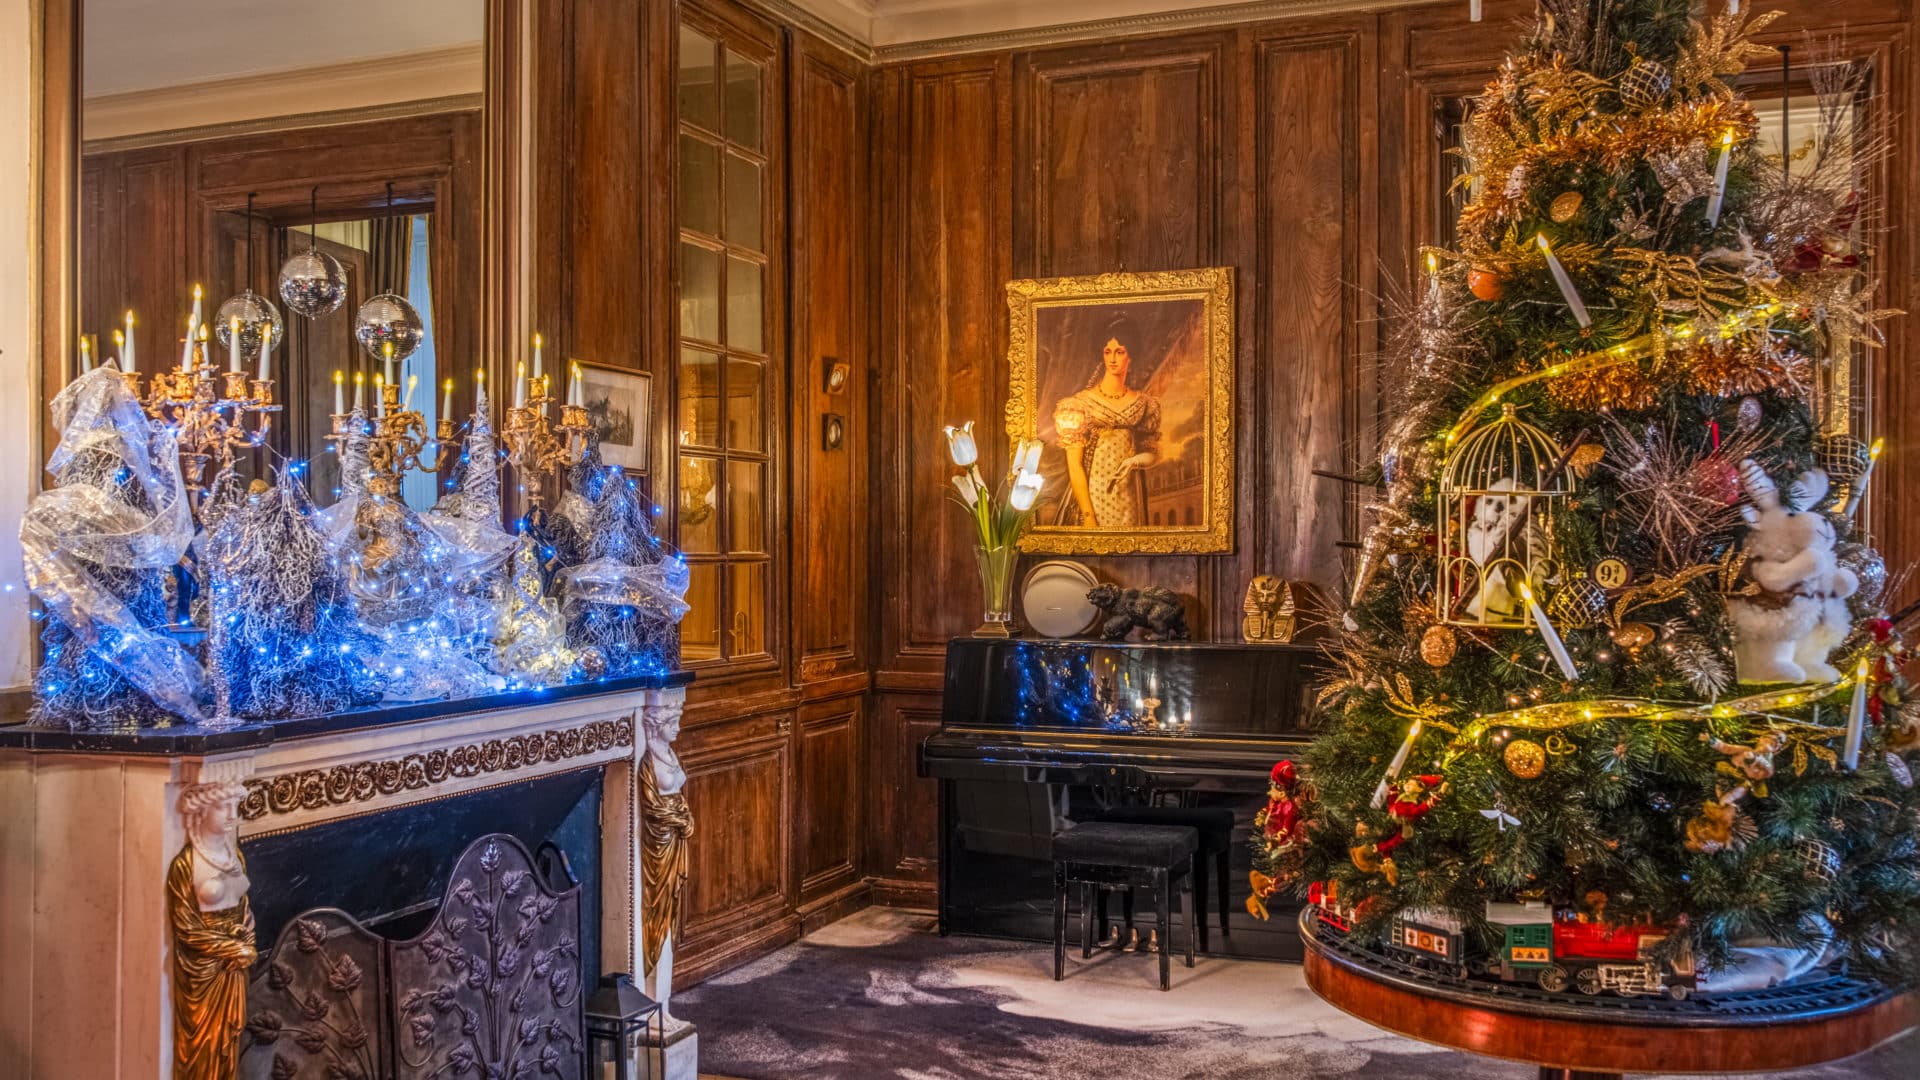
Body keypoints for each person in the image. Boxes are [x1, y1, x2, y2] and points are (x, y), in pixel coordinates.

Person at [1050, 321, 1162, 527]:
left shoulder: (1144, 403)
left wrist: (1134, 461)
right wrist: (1088, 516)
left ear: (1131, 355)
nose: (1112, 359)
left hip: (1130, 496)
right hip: (1094, 495)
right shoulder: (1080, 403)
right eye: (1107, 352)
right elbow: (1074, 464)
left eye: (1120, 352)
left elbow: (1152, 452)